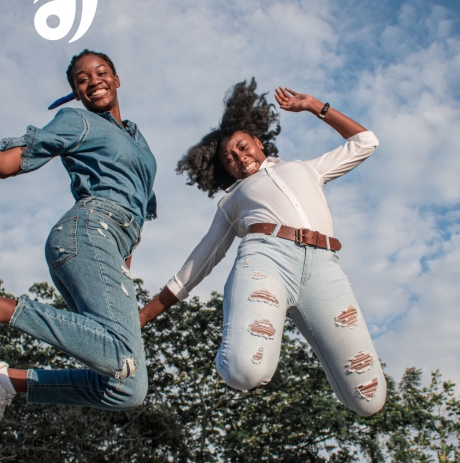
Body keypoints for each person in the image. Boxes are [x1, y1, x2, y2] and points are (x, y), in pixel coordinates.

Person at [139, 79, 386, 417]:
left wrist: (315, 106)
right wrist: (140, 318)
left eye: (242, 147)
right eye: (229, 159)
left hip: (325, 269)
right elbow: (194, 268)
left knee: (369, 400)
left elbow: (365, 141)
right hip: (266, 259)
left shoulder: (306, 169)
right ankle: (238, 337)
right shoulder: (233, 200)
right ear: (225, 171)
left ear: (257, 142)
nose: (240, 157)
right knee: (245, 371)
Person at [0, 50, 157, 418]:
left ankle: (8, 383)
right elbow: (13, 160)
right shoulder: (77, 121)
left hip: (111, 247)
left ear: (117, 79)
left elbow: (137, 211)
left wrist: (124, 271)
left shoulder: (137, 138)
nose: (94, 81)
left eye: (102, 72)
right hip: (87, 232)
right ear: (76, 93)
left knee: (128, 387)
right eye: (82, 80)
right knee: (122, 355)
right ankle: (7, 310)